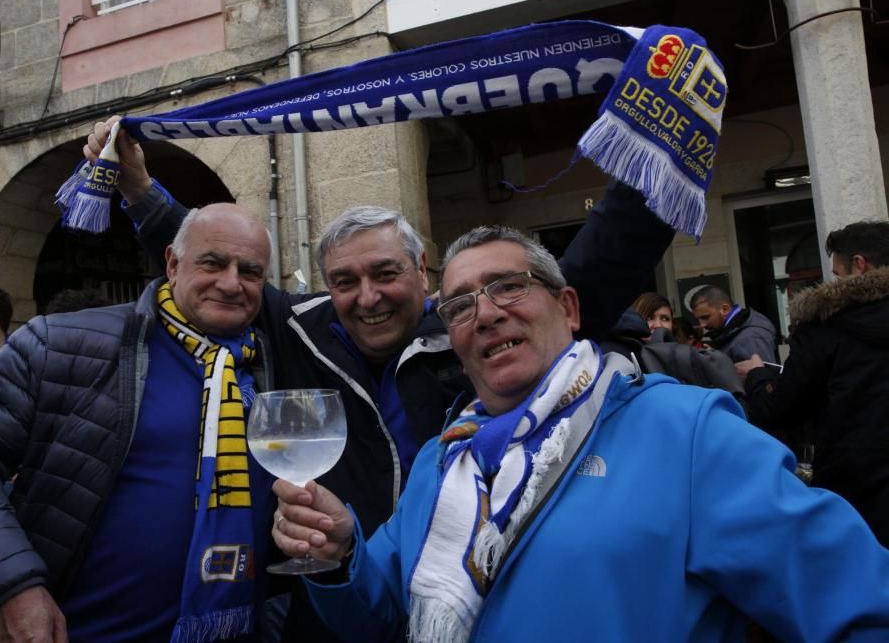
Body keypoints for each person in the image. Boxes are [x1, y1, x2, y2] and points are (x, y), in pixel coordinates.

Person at [86, 116, 677, 639]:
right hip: (337, 602)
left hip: (467, 597)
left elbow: (584, 278)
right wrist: (138, 185)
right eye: (344, 281)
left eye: (385, 273)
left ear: (423, 270)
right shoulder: (298, 326)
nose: (366, 297)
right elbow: (212, 263)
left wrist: (661, 143)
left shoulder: (474, 334)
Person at [271, 225, 889, 642]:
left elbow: (858, 607)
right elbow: (374, 609)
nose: (485, 314)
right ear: (452, 338)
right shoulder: (443, 458)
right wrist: (339, 552)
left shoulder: (685, 430)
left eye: (508, 287)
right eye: (459, 305)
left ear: (567, 308)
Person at [0, 205, 278, 641]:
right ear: (173, 264)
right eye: (213, 263)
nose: (232, 283)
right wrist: (9, 585)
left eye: (250, 271)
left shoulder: (273, 362)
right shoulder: (61, 343)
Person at [736, 220, 889, 545]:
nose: (833, 280)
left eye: (837, 272)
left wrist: (757, 375)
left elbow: (780, 406)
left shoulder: (826, 326)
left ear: (859, 265)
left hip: (860, 492)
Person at [689, 285, 777, 362]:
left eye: (705, 317)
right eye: (698, 319)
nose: (702, 325)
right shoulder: (736, 332)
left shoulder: (749, 338)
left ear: (725, 309)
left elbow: (763, 378)